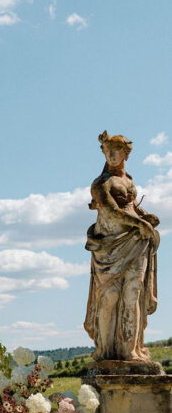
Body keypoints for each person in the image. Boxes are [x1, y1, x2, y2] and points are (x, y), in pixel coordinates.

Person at [84, 131, 160, 362]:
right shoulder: (99, 183)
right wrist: (141, 223)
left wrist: (146, 216)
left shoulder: (129, 181)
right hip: (109, 244)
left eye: (116, 150)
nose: (111, 154)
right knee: (110, 295)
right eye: (107, 150)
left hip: (135, 241)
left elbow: (131, 205)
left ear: (127, 152)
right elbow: (111, 211)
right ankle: (106, 352)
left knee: (134, 292)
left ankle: (130, 350)